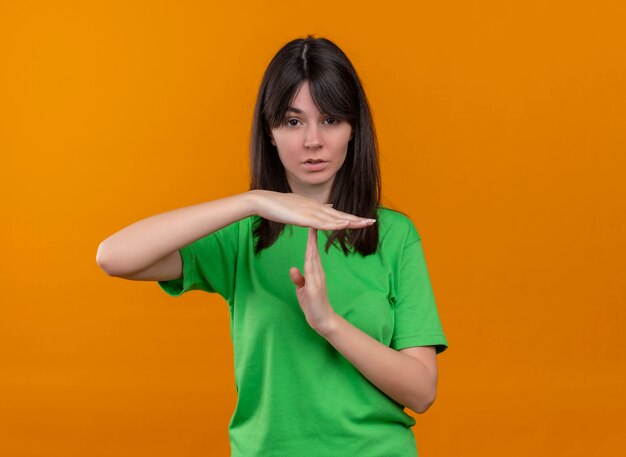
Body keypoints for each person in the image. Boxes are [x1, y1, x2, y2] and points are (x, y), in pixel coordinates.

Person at [96, 35, 448, 457]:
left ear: (354, 129)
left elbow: (423, 391)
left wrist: (328, 323)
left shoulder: (393, 235)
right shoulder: (245, 235)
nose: (313, 140)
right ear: (271, 131)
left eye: (331, 119)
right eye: (293, 121)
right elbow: (113, 256)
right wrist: (253, 201)